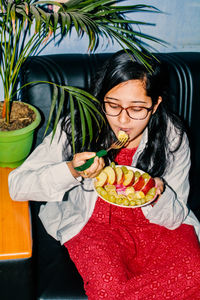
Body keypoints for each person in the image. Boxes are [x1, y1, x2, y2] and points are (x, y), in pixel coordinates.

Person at [8, 50, 200, 299]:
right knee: (108, 290)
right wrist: (71, 170)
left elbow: (174, 217)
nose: (123, 120)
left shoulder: (172, 135)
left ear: (155, 105)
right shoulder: (77, 126)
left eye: (137, 108)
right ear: (101, 99)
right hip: (96, 227)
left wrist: (156, 194)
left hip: (158, 225)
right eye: (113, 105)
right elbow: (18, 185)